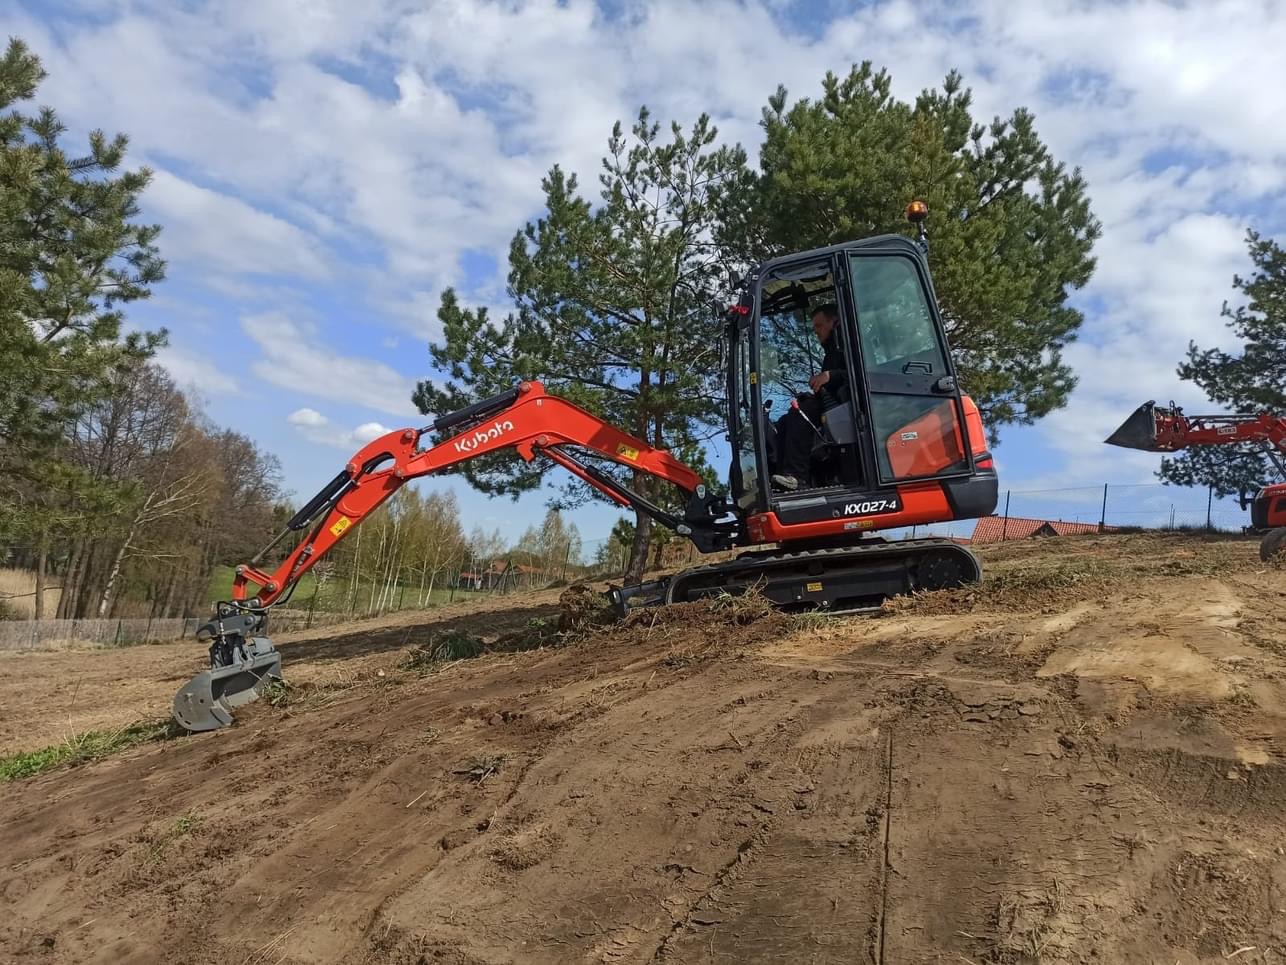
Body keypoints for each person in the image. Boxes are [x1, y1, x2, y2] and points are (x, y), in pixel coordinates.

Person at [771, 303, 848, 491]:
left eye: (819, 325)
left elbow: (862, 373)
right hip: (832, 402)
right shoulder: (831, 350)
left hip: (849, 404)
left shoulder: (851, 342)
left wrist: (830, 375)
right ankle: (780, 475)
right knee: (784, 421)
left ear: (834, 322)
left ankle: (798, 477)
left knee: (800, 413)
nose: (816, 332)